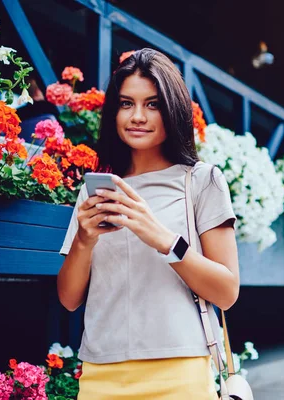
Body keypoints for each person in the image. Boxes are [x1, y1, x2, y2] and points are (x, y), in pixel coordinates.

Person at [56, 48, 239, 399]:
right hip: (100, 373)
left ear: (173, 109)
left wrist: (164, 239)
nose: (137, 116)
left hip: (178, 371)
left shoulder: (201, 181)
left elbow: (227, 292)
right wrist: (84, 240)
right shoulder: (97, 189)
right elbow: (68, 299)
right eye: (126, 104)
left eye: (152, 104)